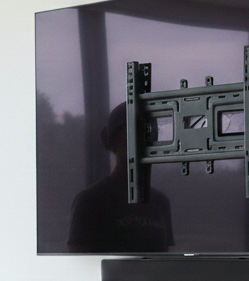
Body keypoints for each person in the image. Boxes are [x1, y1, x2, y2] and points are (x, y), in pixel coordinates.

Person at [67, 103, 175, 253]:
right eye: (130, 131)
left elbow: (163, 263)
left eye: (148, 131)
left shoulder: (161, 202)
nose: (140, 138)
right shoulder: (90, 201)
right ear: (111, 140)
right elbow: (79, 265)